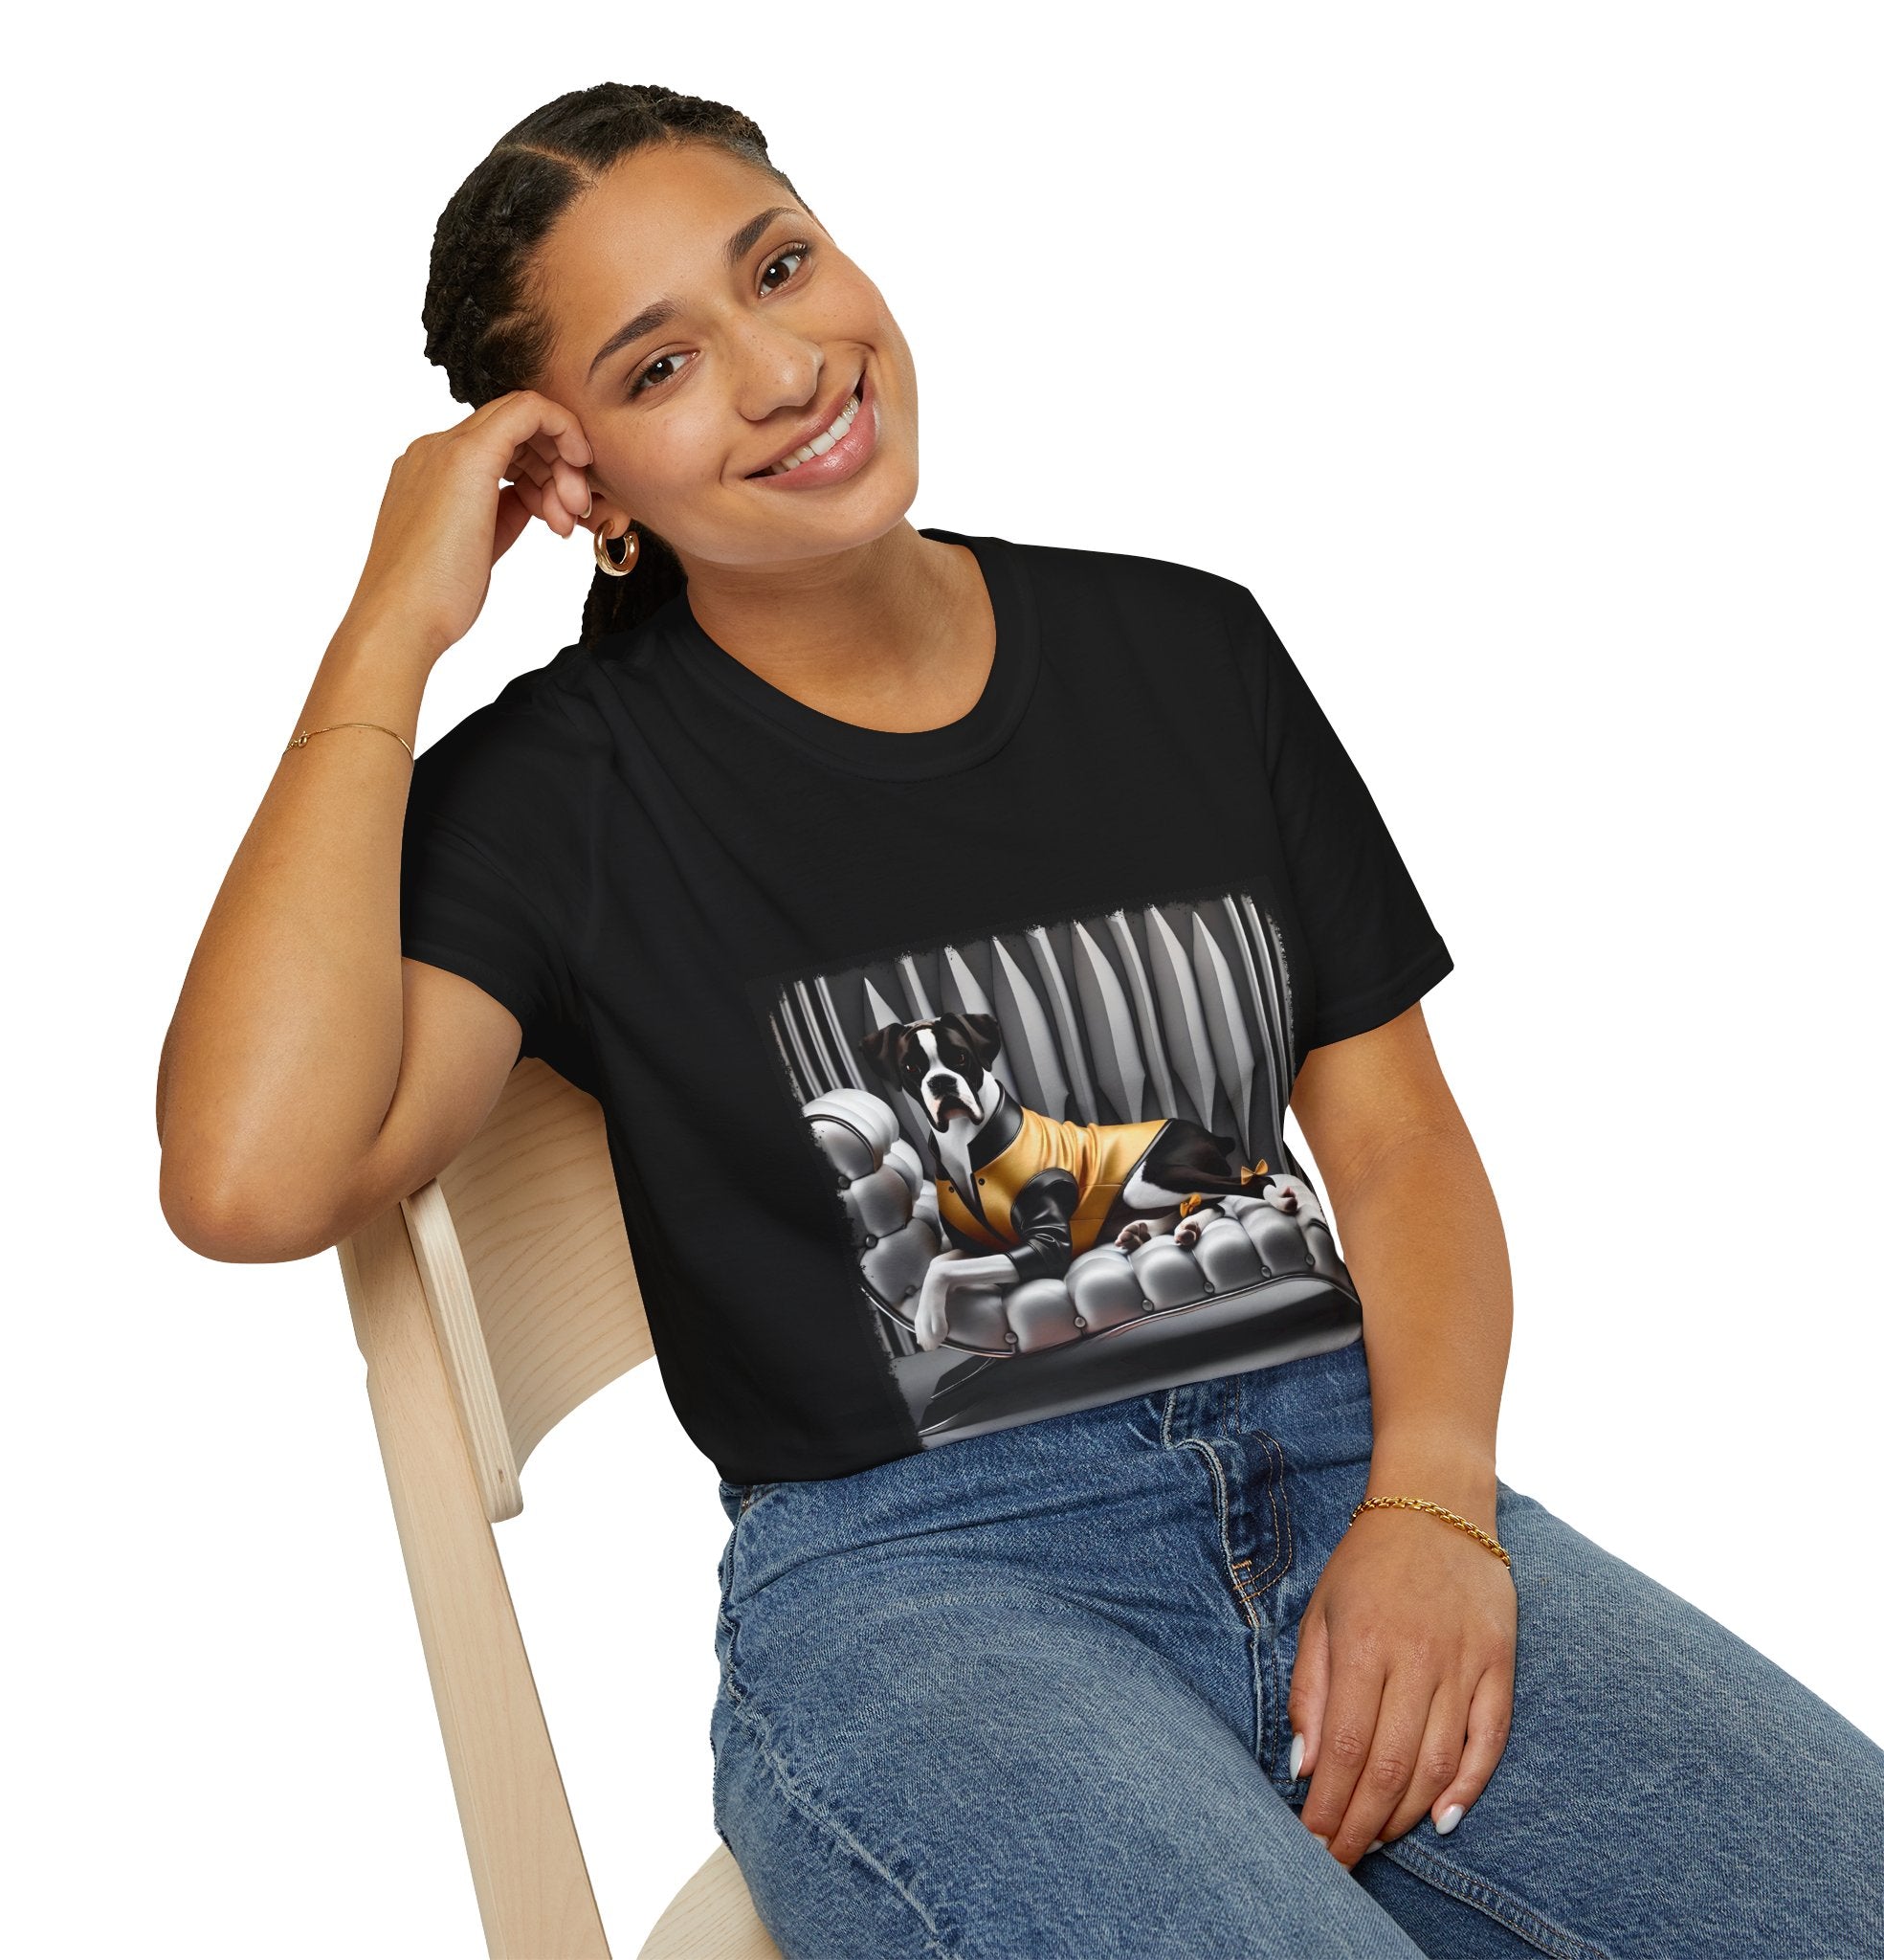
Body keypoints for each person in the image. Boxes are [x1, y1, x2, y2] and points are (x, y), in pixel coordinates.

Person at [156, 81, 1884, 1960]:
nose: (781, 366)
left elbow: (1393, 1146)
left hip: (1346, 1469)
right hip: (929, 1589)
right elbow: (250, 1175)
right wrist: (387, 629)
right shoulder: (563, 790)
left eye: (781, 266)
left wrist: (1435, 1507)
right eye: (659, 368)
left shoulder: (1185, 651)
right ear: (583, 489)